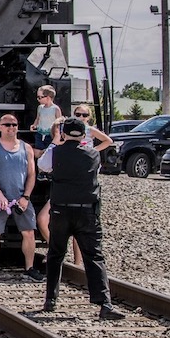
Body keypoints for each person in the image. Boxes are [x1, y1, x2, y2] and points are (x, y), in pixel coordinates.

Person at [37, 117, 125, 320]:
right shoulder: (93, 154)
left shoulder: (55, 152)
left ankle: (51, 299)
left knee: (55, 254)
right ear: (83, 134)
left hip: (61, 211)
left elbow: (43, 165)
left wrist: (55, 141)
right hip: (87, 212)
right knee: (94, 256)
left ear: (64, 133)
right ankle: (104, 304)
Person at [0, 114, 42, 282]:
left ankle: (29, 267)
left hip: (21, 197)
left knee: (29, 233)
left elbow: (31, 174)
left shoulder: (26, 148)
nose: (11, 127)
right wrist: (0, 195)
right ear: (0, 126)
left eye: (14, 124)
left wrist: (26, 197)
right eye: (7, 124)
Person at [31, 85, 63, 156]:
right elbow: (38, 118)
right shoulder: (40, 108)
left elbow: (59, 122)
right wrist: (34, 125)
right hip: (40, 133)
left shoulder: (55, 109)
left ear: (48, 98)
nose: (38, 99)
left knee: (49, 152)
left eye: (40, 97)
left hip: (50, 134)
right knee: (39, 151)